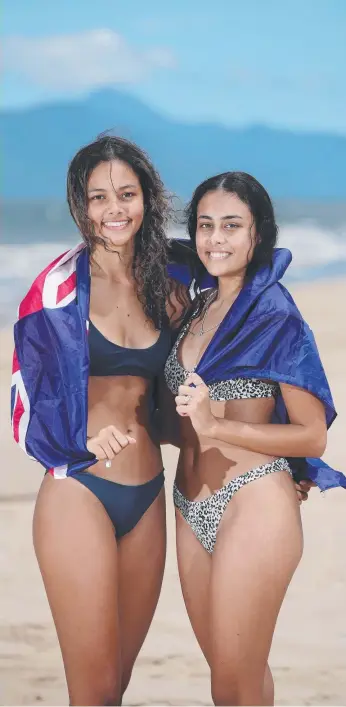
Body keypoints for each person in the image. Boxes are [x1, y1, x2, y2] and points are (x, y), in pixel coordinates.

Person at [11, 135, 188, 706]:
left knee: (115, 688)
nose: (115, 209)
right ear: (80, 206)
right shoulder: (58, 289)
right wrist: (75, 437)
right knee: (91, 692)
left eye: (127, 194)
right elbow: (23, 396)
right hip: (78, 488)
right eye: (99, 197)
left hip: (148, 495)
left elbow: (242, 345)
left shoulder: (170, 284)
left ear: (148, 198)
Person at [163, 172, 343, 706]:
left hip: (255, 500)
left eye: (232, 226)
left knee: (232, 687)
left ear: (257, 235)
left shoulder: (275, 314)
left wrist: (217, 426)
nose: (216, 239)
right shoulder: (192, 310)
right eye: (205, 225)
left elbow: (312, 436)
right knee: (236, 673)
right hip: (188, 503)